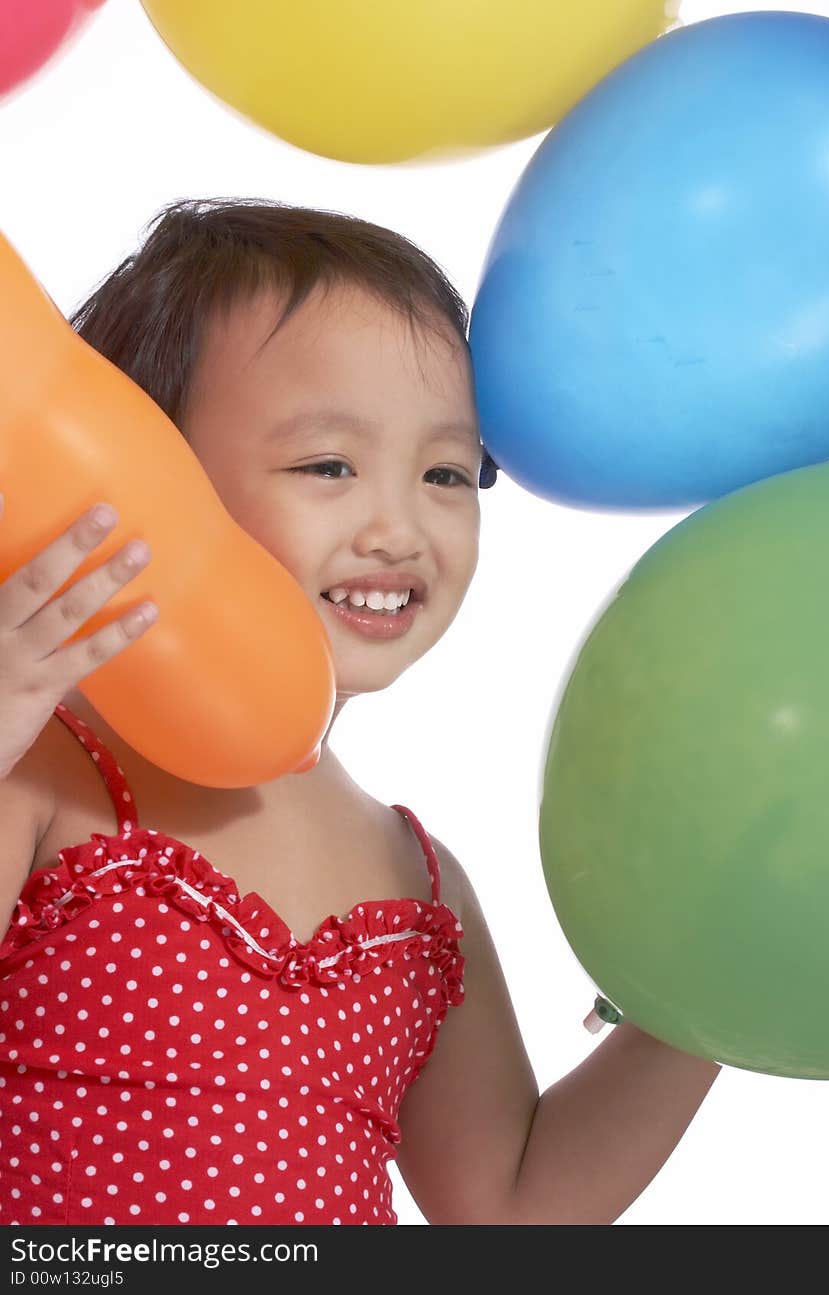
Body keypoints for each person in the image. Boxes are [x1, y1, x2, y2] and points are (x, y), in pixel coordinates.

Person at [0, 198, 720, 1227]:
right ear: (152, 469)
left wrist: (711, 997)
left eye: (446, 473)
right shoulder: (46, 768)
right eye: (328, 465)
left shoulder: (416, 880)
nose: (399, 526)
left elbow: (507, 1202)